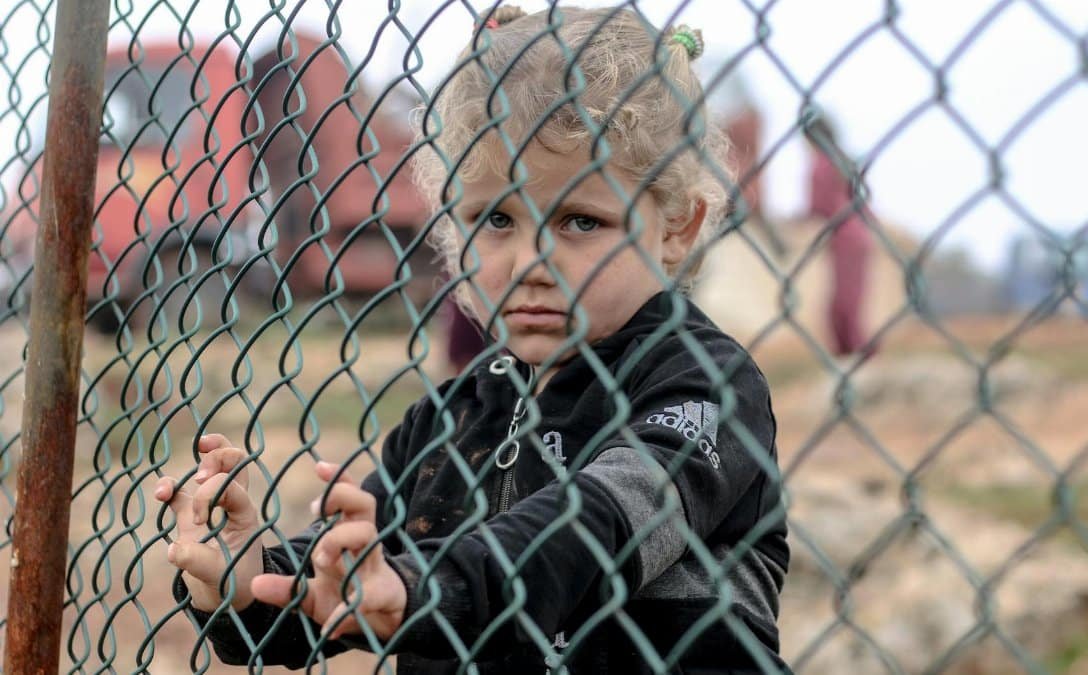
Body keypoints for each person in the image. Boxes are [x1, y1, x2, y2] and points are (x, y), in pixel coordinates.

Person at [155, 6, 790, 673]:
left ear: (676, 228)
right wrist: (247, 577)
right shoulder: (451, 416)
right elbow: (346, 585)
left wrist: (421, 590)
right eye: (494, 217)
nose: (530, 263)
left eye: (580, 220)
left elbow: (597, 526)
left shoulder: (701, 383)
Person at [805, 113, 875, 357]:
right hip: (861, 233)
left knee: (842, 304)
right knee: (851, 298)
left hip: (843, 236)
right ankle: (856, 354)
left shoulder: (820, 164)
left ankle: (854, 352)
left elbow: (816, 206)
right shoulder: (843, 159)